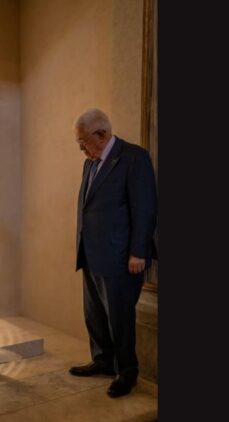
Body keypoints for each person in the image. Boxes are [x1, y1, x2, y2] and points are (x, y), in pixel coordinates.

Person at [69, 108, 157, 398]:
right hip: (91, 253)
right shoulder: (90, 164)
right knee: (94, 314)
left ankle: (127, 373)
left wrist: (138, 252)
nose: (81, 148)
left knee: (120, 318)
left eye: (83, 141)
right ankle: (103, 361)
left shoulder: (134, 158)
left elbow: (144, 208)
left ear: (102, 134)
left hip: (120, 257)